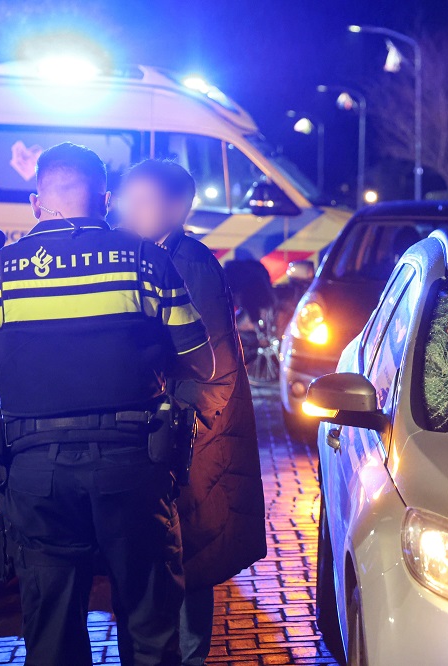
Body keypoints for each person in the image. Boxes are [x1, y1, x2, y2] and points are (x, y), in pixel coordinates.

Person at [0, 142, 215, 665]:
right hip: (131, 466)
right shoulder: (145, 260)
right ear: (106, 198)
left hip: (34, 472)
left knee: (50, 630)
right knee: (150, 623)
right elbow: (201, 361)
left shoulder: (0, 273)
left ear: (36, 201)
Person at [116, 159, 266, 666]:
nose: (126, 209)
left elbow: (210, 366)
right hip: (170, 429)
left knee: (188, 558)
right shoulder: (147, 252)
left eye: (142, 201)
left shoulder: (191, 261)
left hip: (191, 437)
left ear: (177, 208)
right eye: (124, 198)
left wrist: (161, 406)